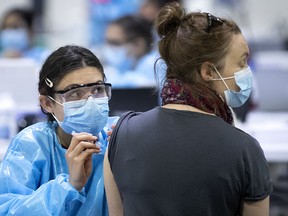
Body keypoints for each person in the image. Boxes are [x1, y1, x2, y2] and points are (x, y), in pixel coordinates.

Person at [104, 3, 272, 216]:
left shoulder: (120, 135)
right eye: (241, 62)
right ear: (208, 71)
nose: (246, 71)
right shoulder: (244, 150)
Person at [0, 45, 116, 215]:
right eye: (75, 93)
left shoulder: (117, 137)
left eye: (98, 89)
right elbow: (7, 210)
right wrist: (70, 185)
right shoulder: (32, 145)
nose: (91, 102)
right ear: (47, 103)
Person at [100, 14, 162, 88]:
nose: (108, 48)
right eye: (107, 42)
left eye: (115, 43)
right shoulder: (128, 66)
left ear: (138, 44)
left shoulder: (154, 64)